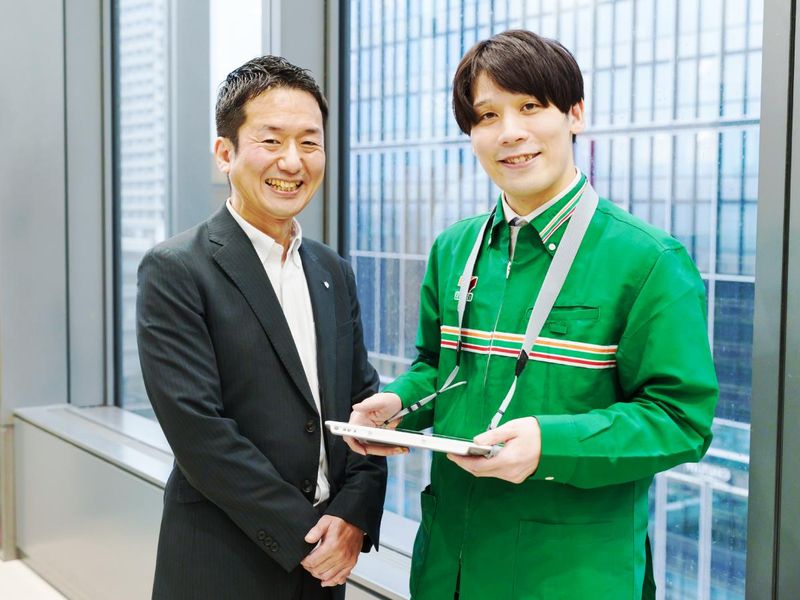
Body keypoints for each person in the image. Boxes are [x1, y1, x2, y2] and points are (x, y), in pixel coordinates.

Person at [346, 30, 718, 600]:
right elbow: (440, 369)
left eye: (530, 107)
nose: (509, 132)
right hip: (450, 564)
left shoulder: (647, 260)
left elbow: (680, 420)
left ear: (575, 114)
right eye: (487, 115)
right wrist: (400, 404)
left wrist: (551, 443)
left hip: (570, 574)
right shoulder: (455, 249)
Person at [137, 55, 387, 600]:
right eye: (271, 141)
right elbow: (199, 432)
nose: (292, 161)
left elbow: (363, 407)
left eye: (309, 142)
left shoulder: (333, 270)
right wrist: (309, 539)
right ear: (225, 153)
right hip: (223, 561)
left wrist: (353, 515)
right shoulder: (176, 269)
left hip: (328, 561)